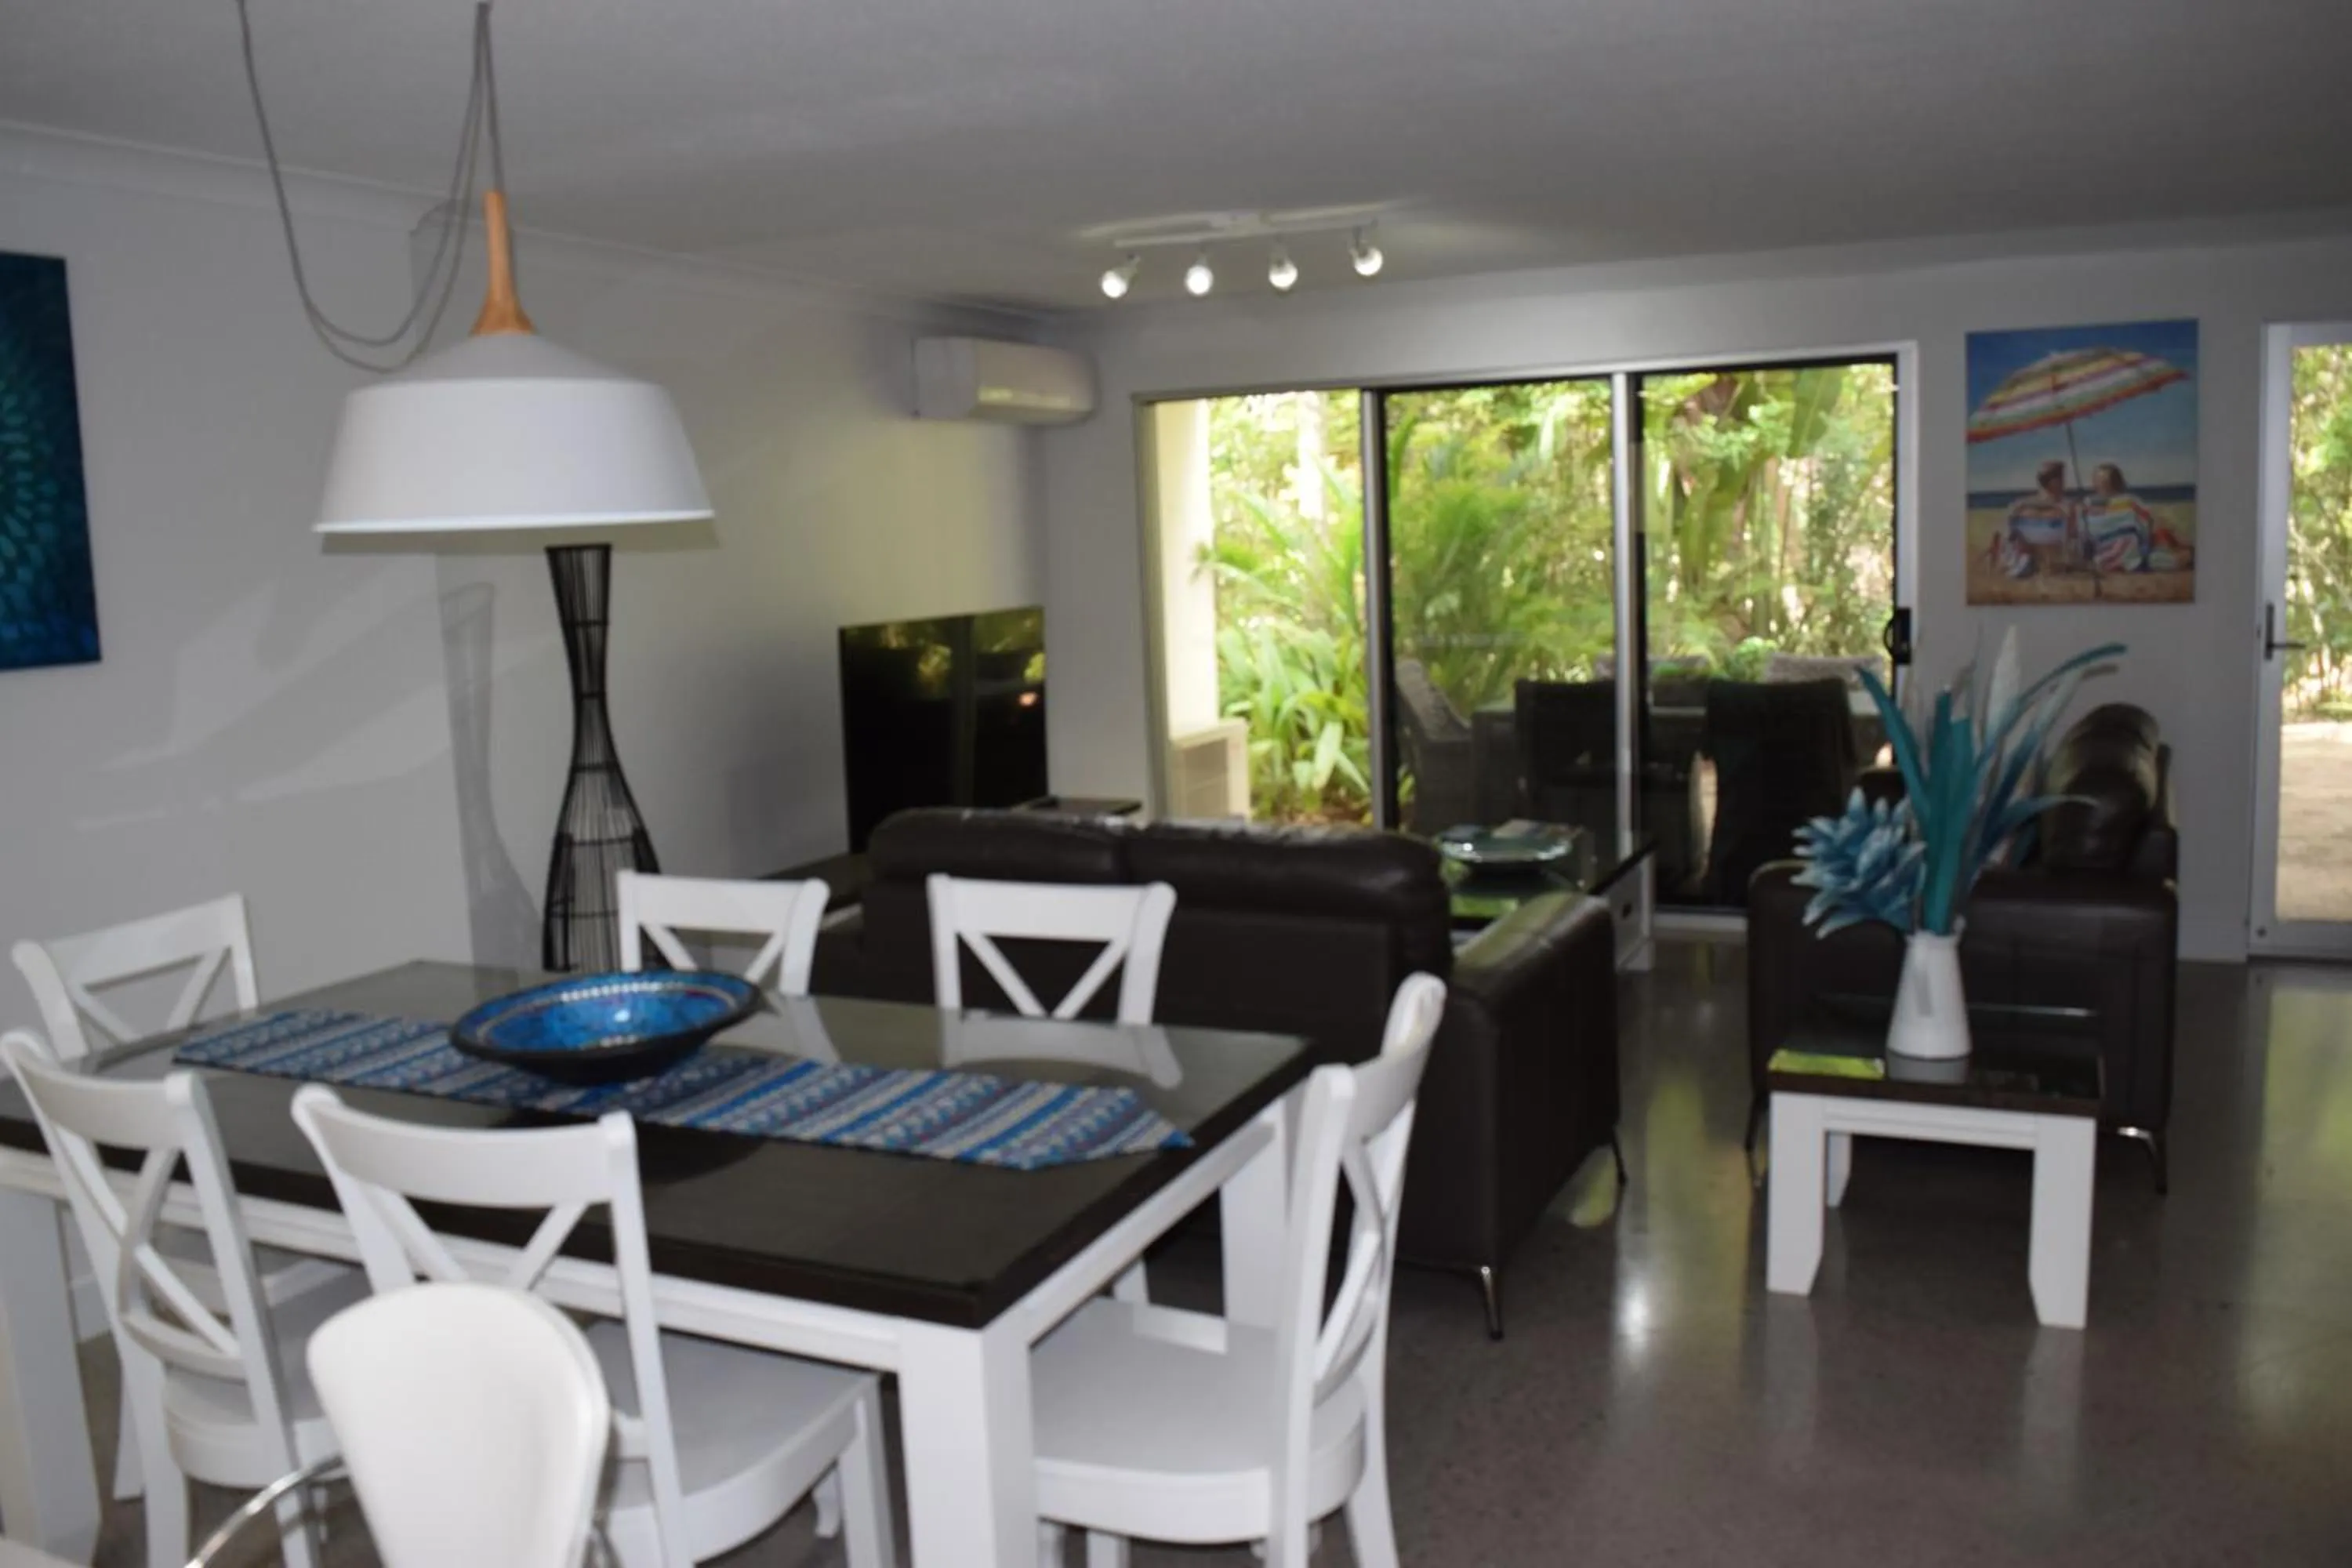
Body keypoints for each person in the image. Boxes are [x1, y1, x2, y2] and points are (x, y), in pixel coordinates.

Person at [1992, 459, 2075, 578]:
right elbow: (2071, 531)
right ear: (2057, 481)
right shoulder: (2066, 505)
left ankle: (2017, 561)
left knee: (2010, 528)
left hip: (2038, 541)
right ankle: (2021, 562)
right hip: (2051, 541)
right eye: (2061, 477)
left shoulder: (2024, 504)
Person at [2082, 462, 2164, 574]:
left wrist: (2147, 541)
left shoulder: (2129, 501)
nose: (2102, 484)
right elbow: (2083, 528)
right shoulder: (2089, 503)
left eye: (2105, 480)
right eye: (2098, 480)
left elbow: (2149, 520)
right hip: (2101, 546)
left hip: (2128, 545)